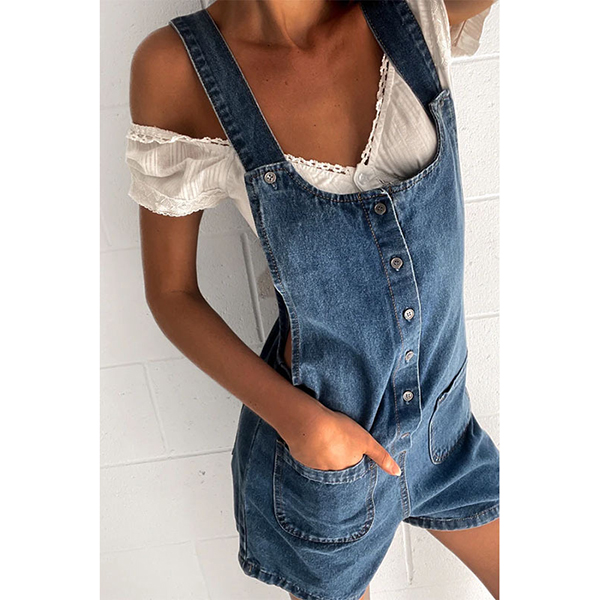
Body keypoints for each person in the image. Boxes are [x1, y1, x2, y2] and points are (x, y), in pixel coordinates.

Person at [125, 1, 500, 599]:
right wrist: (307, 427)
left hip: (445, 429)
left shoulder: (407, 11)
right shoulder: (176, 69)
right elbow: (171, 293)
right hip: (329, 464)